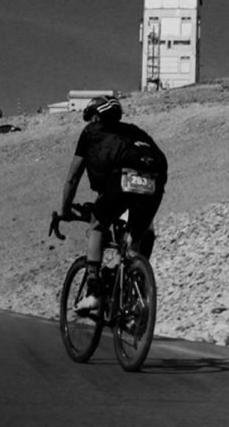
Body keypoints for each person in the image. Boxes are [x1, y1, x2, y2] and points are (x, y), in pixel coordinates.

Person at [57, 95, 168, 313]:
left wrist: (64, 209)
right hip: (153, 186)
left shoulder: (91, 133)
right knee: (135, 240)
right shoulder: (135, 132)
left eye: (92, 118)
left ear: (96, 116)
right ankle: (133, 290)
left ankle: (94, 292)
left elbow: (73, 177)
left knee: (97, 225)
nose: (91, 122)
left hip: (120, 184)